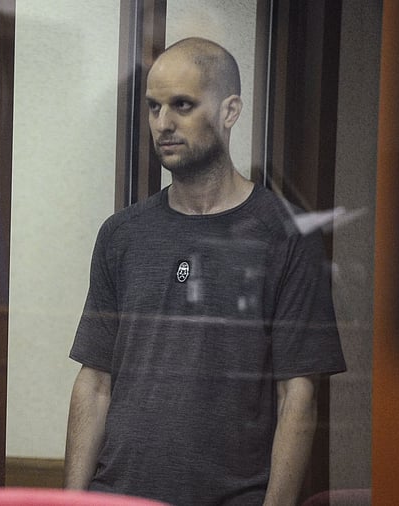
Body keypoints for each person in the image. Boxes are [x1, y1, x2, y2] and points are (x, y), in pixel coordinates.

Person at [63, 38, 346, 505]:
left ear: (229, 111)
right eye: (154, 107)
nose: (163, 123)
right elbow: (94, 384)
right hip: (117, 495)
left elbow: (298, 397)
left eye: (182, 105)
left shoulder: (287, 235)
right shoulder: (122, 234)